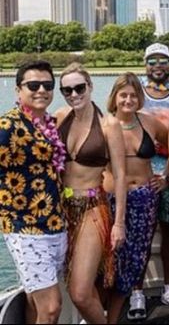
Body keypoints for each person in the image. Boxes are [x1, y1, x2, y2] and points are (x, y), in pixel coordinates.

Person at [55, 63, 126, 324]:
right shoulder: (61, 116)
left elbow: (119, 175)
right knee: (71, 283)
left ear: (90, 86)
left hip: (92, 208)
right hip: (61, 209)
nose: (74, 94)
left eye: (79, 88)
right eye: (67, 90)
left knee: (80, 292)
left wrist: (119, 223)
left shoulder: (109, 125)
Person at [130, 43, 169, 319]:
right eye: (152, 61)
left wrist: (168, 175)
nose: (158, 66)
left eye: (163, 61)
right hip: (140, 173)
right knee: (139, 236)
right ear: (145, 64)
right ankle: (136, 291)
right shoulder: (135, 94)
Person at [0, 61, 67, 324]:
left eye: (48, 85)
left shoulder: (48, 124)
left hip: (54, 223)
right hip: (24, 227)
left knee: (34, 300)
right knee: (51, 307)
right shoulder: (8, 126)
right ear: (18, 90)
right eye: (33, 85)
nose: (41, 90)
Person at [101, 73, 168, 323]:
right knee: (110, 258)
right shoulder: (104, 125)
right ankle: (104, 314)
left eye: (133, 95)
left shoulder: (149, 123)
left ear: (139, 98)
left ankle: (133, 298)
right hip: (111, 200)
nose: (128, 100)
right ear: (115, 97)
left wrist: (166, 177)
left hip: (144, 199)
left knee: (139, 255)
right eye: (123, 95)